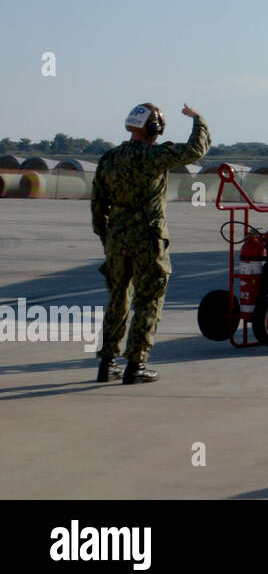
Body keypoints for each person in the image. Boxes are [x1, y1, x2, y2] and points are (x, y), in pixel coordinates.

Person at [91, 103, 211, 384]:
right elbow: (195, 150)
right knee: (148, 299)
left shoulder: (109, 159)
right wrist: (198, 120)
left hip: (117, 240)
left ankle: (107, 364)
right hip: (148, 239)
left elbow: (98, 206)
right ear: (154, 129)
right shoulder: (155, 156)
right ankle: (136, 365)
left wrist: (107, 238)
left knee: (117, 298)